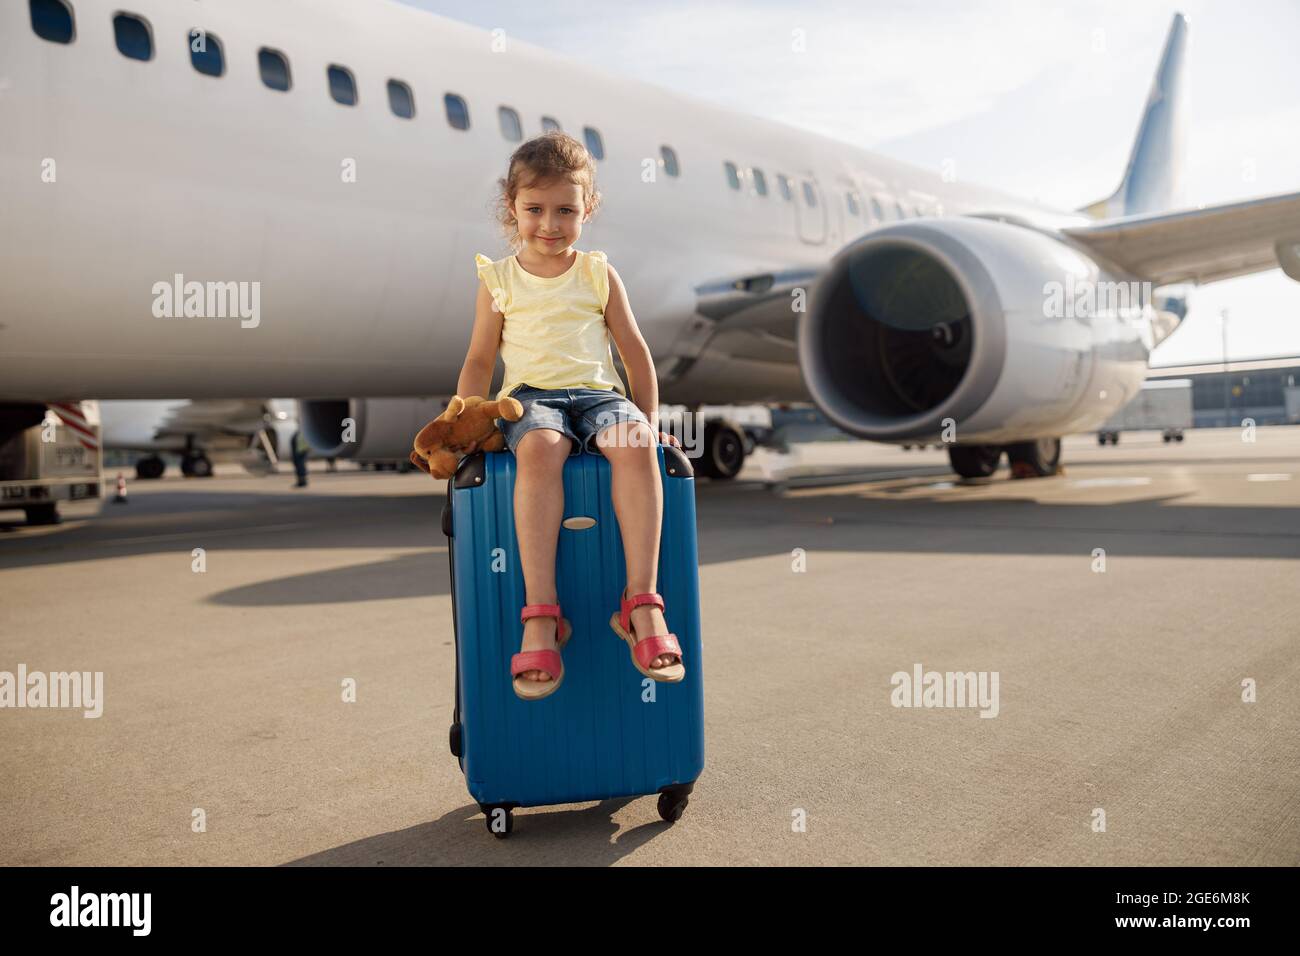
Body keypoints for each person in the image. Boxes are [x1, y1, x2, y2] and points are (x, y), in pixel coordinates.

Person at [456, 131, 685, 701]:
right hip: (530, 396)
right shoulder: (498, 280)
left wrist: (648, 420)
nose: (550, 224)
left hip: (598, 393)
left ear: (588, 210)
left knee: (636, 446)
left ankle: (641, 605)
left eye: (566, 210)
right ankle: (542, 615)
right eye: (535, 209)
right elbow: (480, 358)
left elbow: (634, 351)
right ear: (512, 208)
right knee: (538, 449)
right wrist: (467, 418)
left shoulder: (598, 274)